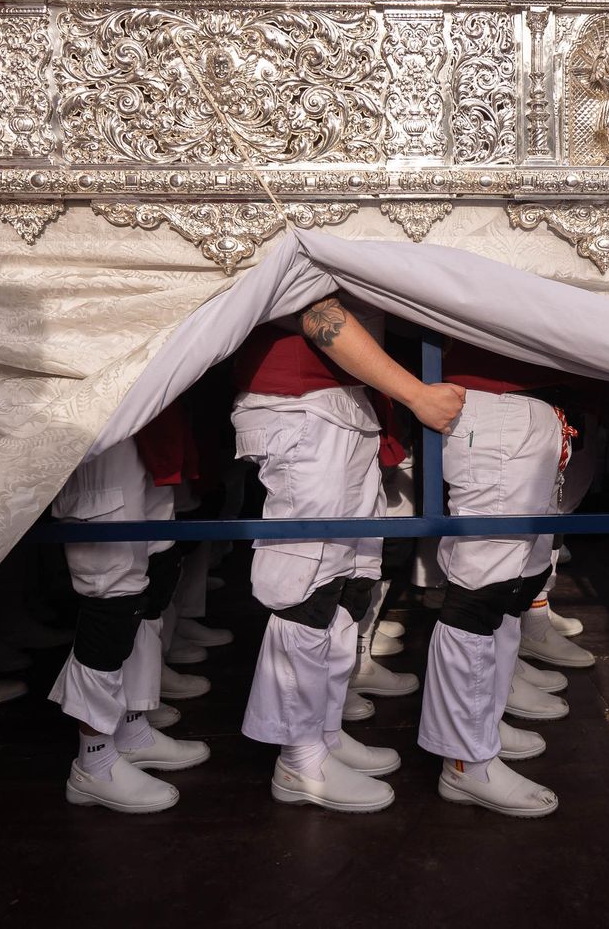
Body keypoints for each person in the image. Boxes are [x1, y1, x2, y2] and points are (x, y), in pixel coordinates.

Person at [233, 295, 463, 813]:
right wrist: (416, 394)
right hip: (300, 404)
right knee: (305, 584)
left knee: (349, 580)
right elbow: (316, 310)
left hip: (341, 401)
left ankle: (323, 731)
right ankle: (299, 758)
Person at [417, 343, 606, 818]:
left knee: (515, 586)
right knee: (481, 595)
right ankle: (465, 761)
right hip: (497, 403)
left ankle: (484, 727)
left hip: (528, 405)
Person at [48, 406, 213, 815]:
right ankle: (94, 762)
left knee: (156, 575)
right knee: (112, 598)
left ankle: (131, 729)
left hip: (150, 417)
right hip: (101, 414)